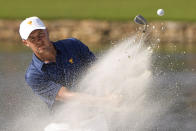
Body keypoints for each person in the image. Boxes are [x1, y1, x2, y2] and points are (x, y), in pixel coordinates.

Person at [19, 16, 96, 109]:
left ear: (47, 32)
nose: (38, 41)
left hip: (97, 105)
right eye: (32, 38)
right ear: (25, 43)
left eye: (40, 35)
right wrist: (104, 101)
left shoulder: (73, 45)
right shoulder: (33, 75)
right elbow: (66, 96)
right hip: (68, 118)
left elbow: (97, 69)